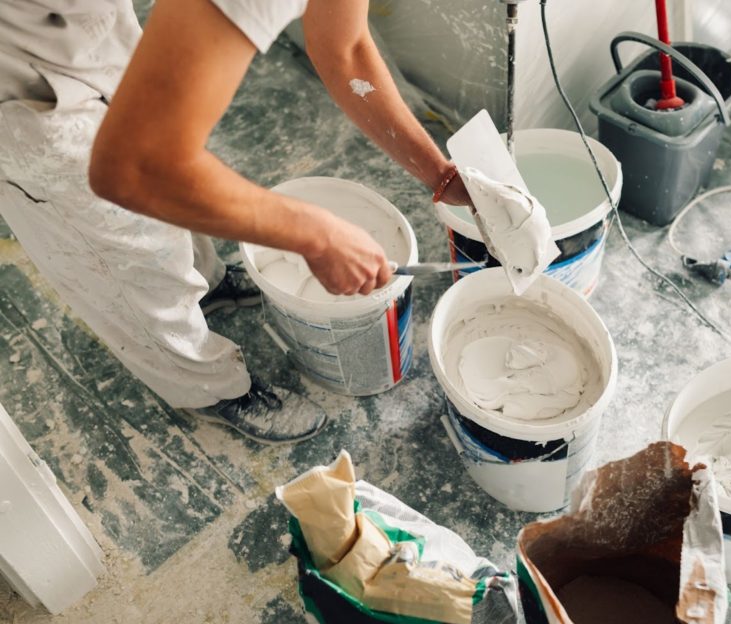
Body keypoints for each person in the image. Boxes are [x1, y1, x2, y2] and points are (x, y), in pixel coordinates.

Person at [0, 0, 470, 444]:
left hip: (71, 19)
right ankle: (206, 387)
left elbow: (345, 48)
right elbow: (132, 169)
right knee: (123, 246)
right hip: (18, 78)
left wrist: (440, 174)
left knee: (165, 143)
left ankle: (207, 284)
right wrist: (317, 236)